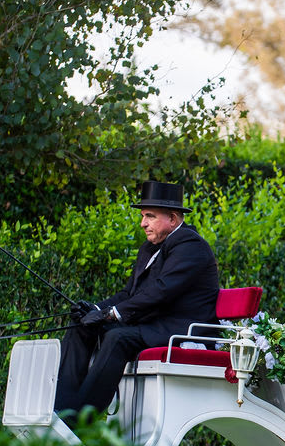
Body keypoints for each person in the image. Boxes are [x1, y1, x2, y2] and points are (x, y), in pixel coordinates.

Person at [54, 179, 220, 420]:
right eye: (143, 216)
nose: (143, 223)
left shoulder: (191, 246)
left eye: (150, 216)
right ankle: (63, 408)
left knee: (118, 337)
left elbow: (161, 292)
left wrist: (111, 314)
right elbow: (129, 293)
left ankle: (82, 416)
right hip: (152, 324)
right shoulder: (150, 248)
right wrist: (96, 308)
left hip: (179, 328)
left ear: (172, 219)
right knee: (81, 326)